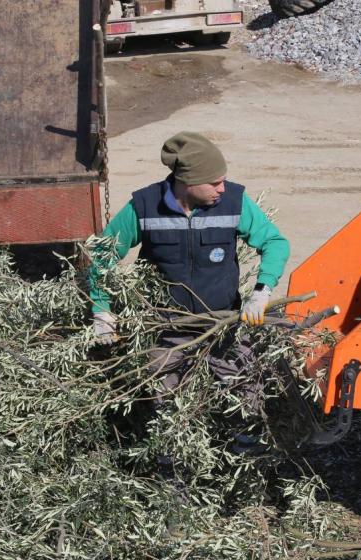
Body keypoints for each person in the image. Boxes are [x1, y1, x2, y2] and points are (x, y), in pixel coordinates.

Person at [87, 132, 289, 421]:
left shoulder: (235, 202)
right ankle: (169, 460)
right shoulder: (143, 207)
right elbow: (102, 255)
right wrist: (102, 311)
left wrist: (262, 290)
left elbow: (275, 243)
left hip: (222, 323)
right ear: (188, 182)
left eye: (223, 180)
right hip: (167, 328)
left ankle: (248, 450)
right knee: (167, 407)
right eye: (214, 182)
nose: (222, 188)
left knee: (247, 390)